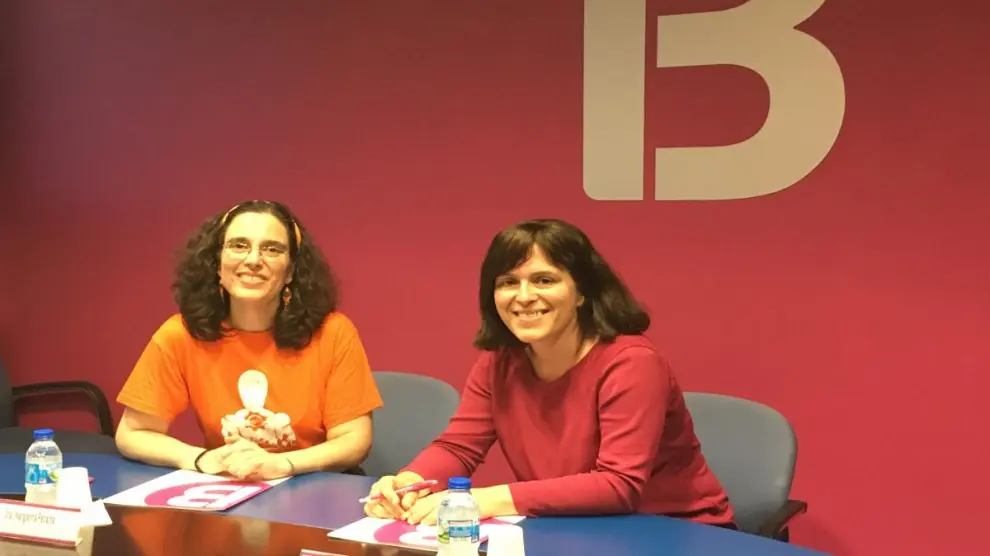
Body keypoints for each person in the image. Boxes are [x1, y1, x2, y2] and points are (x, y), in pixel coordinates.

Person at [363, 218, 735, 527]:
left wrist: (484, 499)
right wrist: (410, 482)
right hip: (572, 527)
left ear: (581, 292)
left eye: (544, 280)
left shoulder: (633, 362)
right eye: (508, 282)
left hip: (675, 530)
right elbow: (458, 447)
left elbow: (619, 485)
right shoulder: (498, 362)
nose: (524, 296)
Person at [115, 200, 382, 480]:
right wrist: (200, 458)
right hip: (230, 486)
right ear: (217, 264)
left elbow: (354, 441)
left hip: (313, 483)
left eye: (272, 249)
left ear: (290, 271)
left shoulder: (333, 333)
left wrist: (283, 464)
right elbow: (133, 433)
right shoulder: (179, 334)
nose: (253, 260)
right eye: (239, 246)